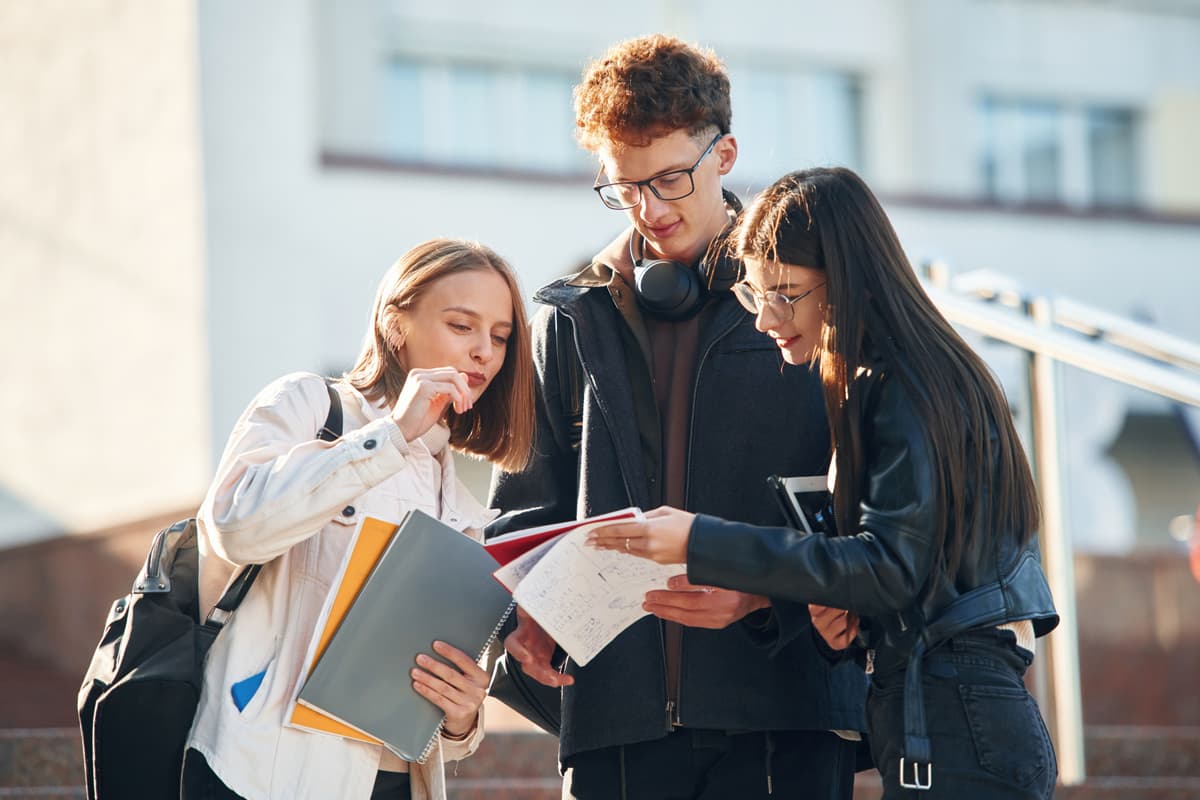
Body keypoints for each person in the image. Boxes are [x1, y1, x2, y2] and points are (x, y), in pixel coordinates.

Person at [590, 167, 1062, 799]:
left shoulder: (901, 380)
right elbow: (915, 566)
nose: (766, 320)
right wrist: (822, 609)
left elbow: (889, 567)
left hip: (955, 707)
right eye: (755, 297)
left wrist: (699, 538)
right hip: (950, 701)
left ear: (846, 282)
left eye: (785, 293)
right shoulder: (917, 370)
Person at [488, 35, 866, 800]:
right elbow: (521, 511)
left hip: (784, 714)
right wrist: (522, 615)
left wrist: (767, 596)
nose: (648, 209)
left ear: (724, 156)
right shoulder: (571, 316)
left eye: (668, 180)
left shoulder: (812, 298)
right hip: (613, 726)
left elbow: (870, 514)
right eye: (623, 187)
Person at [181, 238, 536, 800]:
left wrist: (463, 716)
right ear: (397, 323)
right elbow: (233, 528)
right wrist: (390, 435)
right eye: (462, 326)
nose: (484, 354)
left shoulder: (458, 494)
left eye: (499, 337)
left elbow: (437, 716)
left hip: (393, 781)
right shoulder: (309, 406)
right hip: (264, 771)